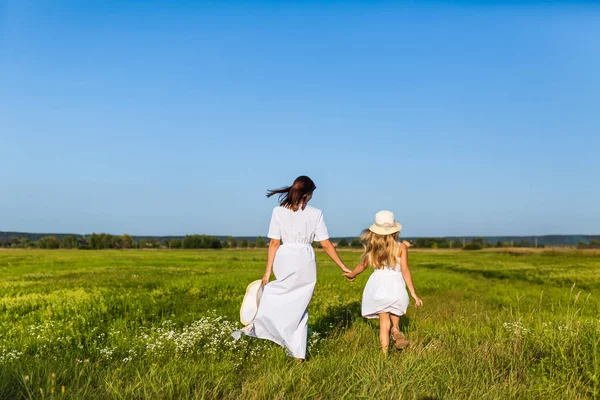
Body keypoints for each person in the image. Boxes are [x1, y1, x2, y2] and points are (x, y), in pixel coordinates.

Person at [233, 176, 351, 361]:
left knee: (279, 292)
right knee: (300, 306)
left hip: (284, 255)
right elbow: (326, 244)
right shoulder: (316, 213)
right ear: (306, 194)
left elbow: (274, 242)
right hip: (305, 258)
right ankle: (296, 352)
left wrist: (267, 272)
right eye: (312, 193)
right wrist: (343, 266)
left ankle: (259, 320)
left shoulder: (278, 211)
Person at [344, 210, 423, 354]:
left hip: (378, 287)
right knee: (395, 312)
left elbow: (362, 265)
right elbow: (405, 270)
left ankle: (384, 355)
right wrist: (413, 294)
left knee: (383, 324)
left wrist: (351, 274)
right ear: (394, 231)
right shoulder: (401, 247)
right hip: (396, 287)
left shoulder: (373, 248)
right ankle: (396, 329)